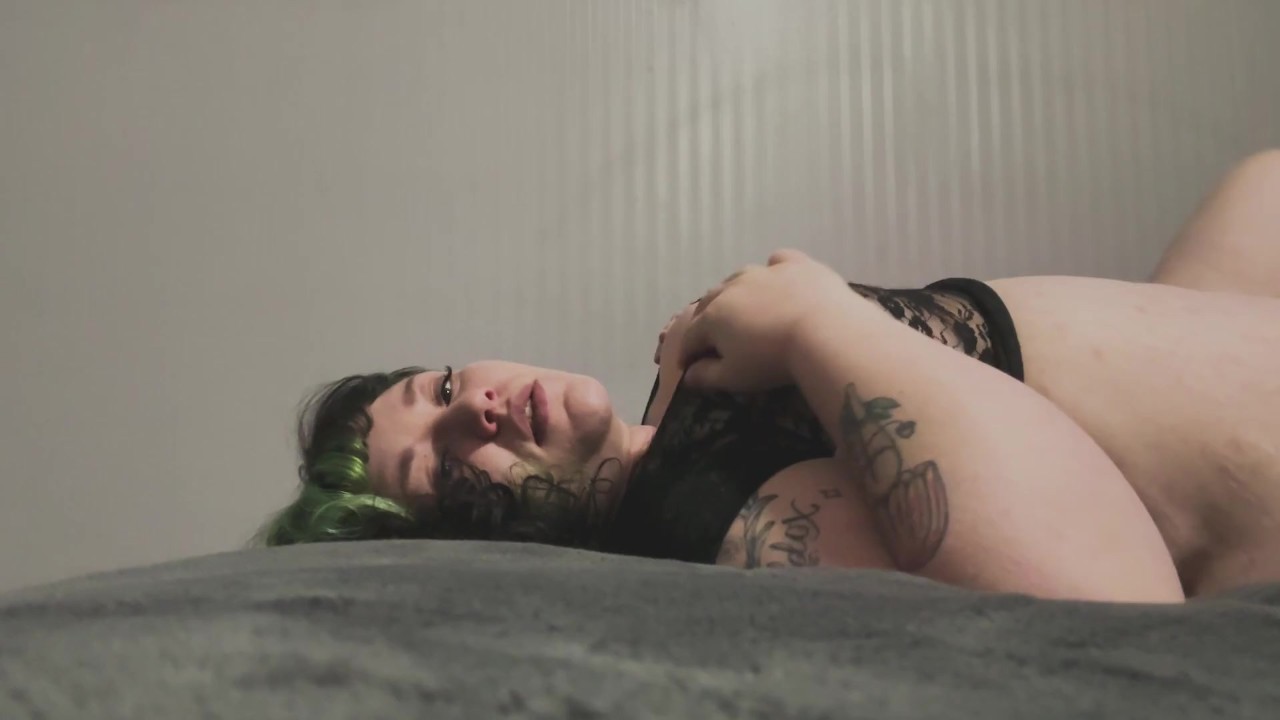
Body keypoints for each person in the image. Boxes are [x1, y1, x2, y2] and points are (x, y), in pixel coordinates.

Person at [260, 150, 1280, 603]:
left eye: (442, 388)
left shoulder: (685, 425)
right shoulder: (705, 519)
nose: (475, 408)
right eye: (445, 469)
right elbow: (1100, 602)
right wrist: (811, 318)